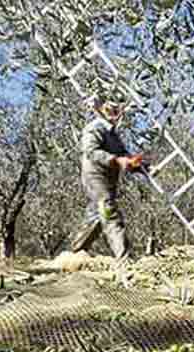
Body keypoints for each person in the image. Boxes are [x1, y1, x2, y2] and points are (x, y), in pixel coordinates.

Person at [70, 93, 145, 264]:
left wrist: (142, 168)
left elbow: (124, 156)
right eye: (109, 109)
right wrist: (116, 160)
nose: (113, 113)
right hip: (95, 177)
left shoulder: (114, 135)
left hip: (109, 179)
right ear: (101, 110)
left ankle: (76, 252)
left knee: (96, 216)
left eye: (116, 110)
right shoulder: (95, 127)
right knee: (109, 211)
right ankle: (124, 260)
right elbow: (91, 152)